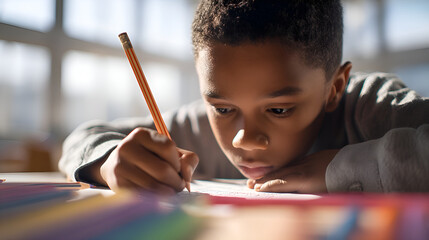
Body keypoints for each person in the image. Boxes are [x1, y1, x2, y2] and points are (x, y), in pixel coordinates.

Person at [59, 0, 429, 194]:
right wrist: (108, 163)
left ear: (334, 87)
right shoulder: (196, 129)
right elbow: (83, 136)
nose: (244, 140)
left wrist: (341, 168)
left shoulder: (372, 105)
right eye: (222, 107)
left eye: (279, 108)